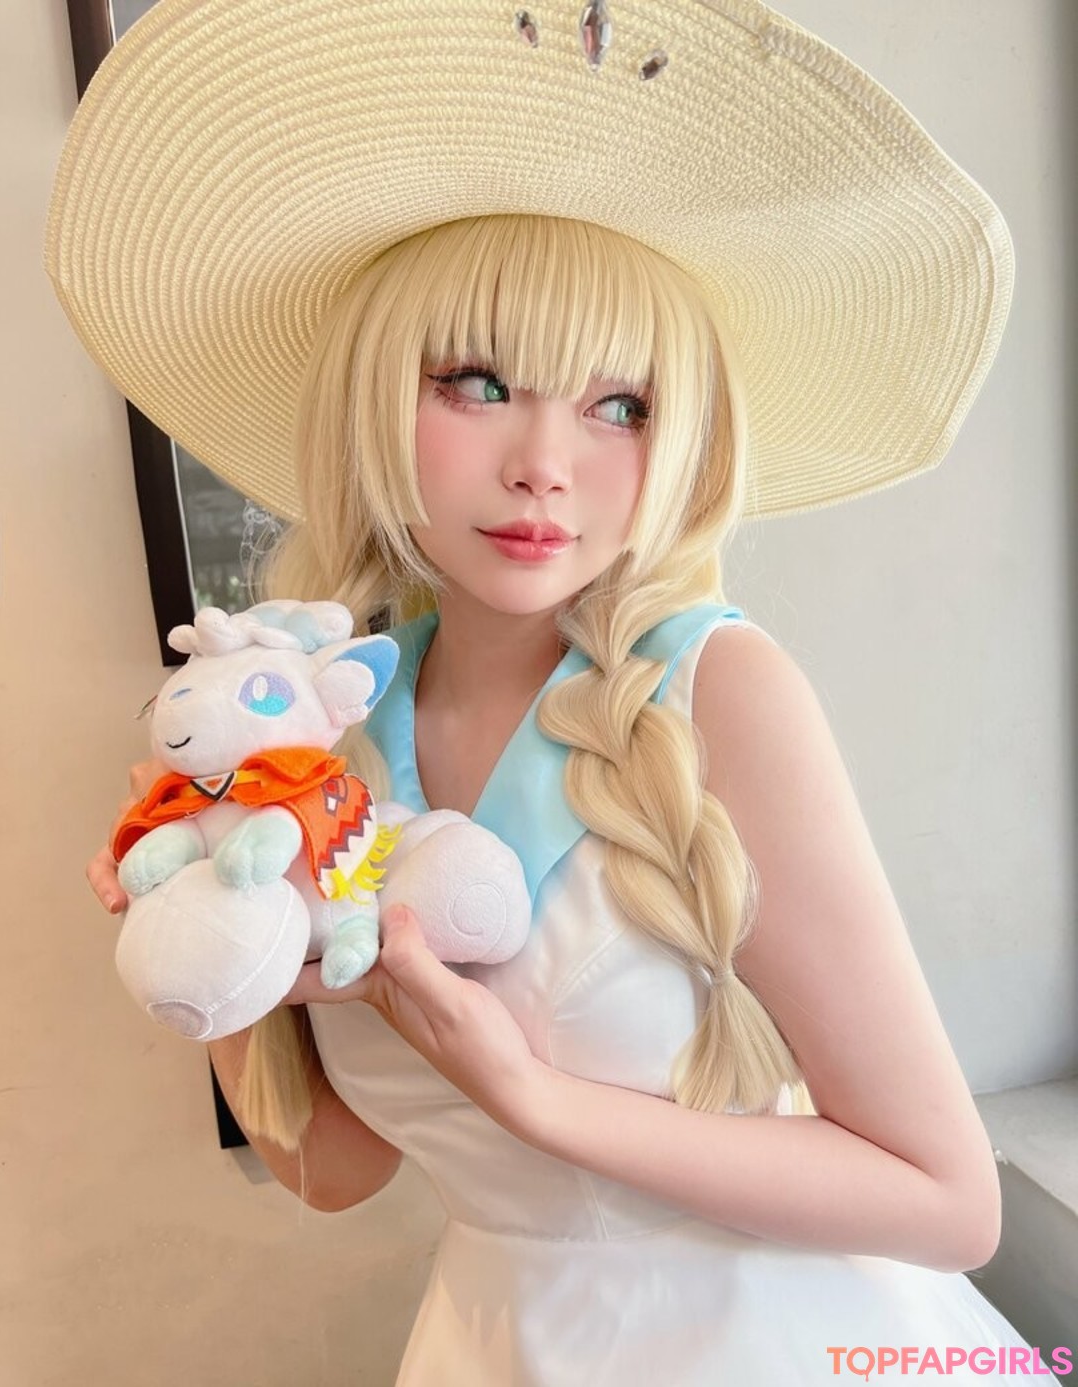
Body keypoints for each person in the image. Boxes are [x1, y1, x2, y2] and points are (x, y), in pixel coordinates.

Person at [52, 1, 1059, 1382]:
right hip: (497, 1342)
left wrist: (528, 1094)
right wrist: (207, 945)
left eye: (620, 406)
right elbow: (336, 1171)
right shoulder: (336, 738)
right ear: (371, 398)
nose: (545, 462)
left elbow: (948, 1200)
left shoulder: (716, 690)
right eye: (476, 383)